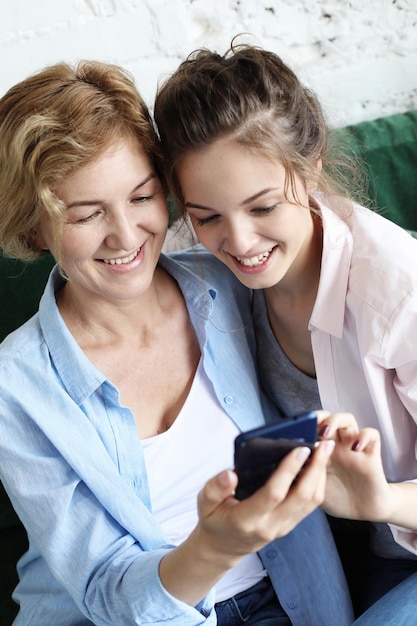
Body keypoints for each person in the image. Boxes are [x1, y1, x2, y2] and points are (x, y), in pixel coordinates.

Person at [0, 61, 352, 626]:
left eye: (142, 198)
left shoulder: (230, 282)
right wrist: (213, 546)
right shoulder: (16, 387)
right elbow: (104, 589)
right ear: (35, 227)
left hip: (285, 597)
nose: (125, 235)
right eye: (87, 214)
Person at [154, 41, 417, 620]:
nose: (240, 244)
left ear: (312, 165)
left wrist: (385, 500)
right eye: (207, 217)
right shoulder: (214, 288)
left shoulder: (398, 292)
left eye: (264, 206)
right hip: (324, 560)